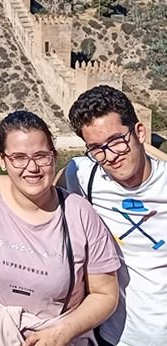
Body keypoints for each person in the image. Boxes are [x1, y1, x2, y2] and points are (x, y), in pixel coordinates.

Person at [0, 110, 119, 346]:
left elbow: (105, 294)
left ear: (55, 156)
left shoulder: (79, 214)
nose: (32, 167)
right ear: (1, 159)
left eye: (41, 156)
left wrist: (62, 332)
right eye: (19, 157)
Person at [64, 84, 167, 346]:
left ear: (139, 132)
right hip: (112, 336)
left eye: (116, 141)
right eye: (97, 148)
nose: (110, 156)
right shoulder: (81, 175)